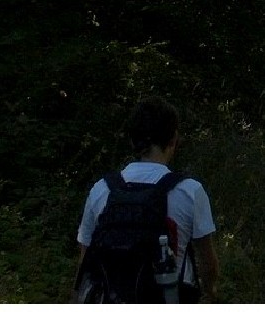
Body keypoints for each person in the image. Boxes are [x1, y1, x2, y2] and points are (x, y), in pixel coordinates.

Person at [76, 96, 219, 303]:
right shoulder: (190, 191)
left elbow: (85, 264)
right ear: (173, 139)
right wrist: (211, 293)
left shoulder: (101, 190)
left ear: (132, 141)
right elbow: (208, 263)